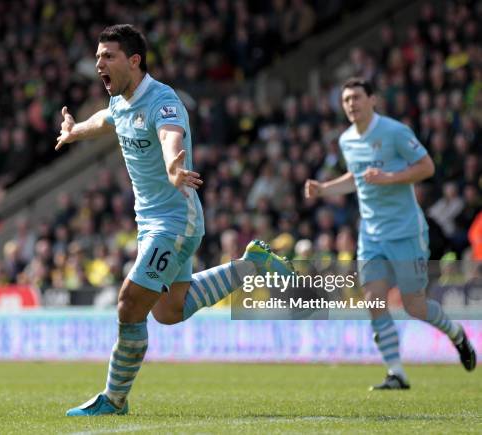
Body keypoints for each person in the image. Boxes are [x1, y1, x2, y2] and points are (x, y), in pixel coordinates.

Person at [56, 24, 291, 416]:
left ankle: (113, 399)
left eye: (108, 56)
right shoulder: (120, 100)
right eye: (97, 57)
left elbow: (170, 137)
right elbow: (106, 119)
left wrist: (172, 167)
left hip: (175, 221)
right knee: (168, 311)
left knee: (129, 303)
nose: (99, 63)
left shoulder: (163, 101)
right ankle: (251, 265)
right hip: (149, 222)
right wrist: (75, 131)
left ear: (134, 61)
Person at [305, 77, 476, 390]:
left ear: (373, 100)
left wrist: (389, 178)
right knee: (373, 299)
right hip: (371, 234)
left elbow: (426, 167)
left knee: (414, 305)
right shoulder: (346, 140)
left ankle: (456, 334)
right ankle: (396, 372)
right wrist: (324, 189)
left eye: (357, 97)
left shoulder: (395, 132)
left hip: (406, 232)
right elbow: (356, 178)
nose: (351, 104)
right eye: (346, 100)